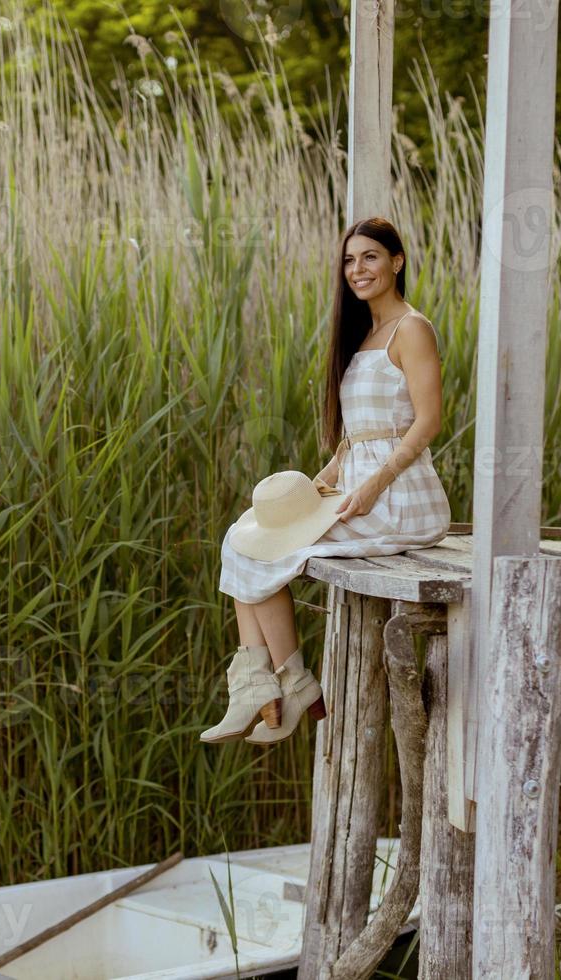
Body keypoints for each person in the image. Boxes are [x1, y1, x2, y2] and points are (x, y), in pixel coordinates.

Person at [201, 217, 452, 745]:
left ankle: (289, 684)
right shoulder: (362, 335)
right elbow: (359, 434)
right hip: (355, 487)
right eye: (349, 260)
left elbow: (427, 421)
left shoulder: (412, 328)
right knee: (244, 537)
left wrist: (375, 484)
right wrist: (327, 479)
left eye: (370, 257)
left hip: (400, 499)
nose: (357, 269)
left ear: (396, 262)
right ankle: (269, 682)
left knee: (263, 554)